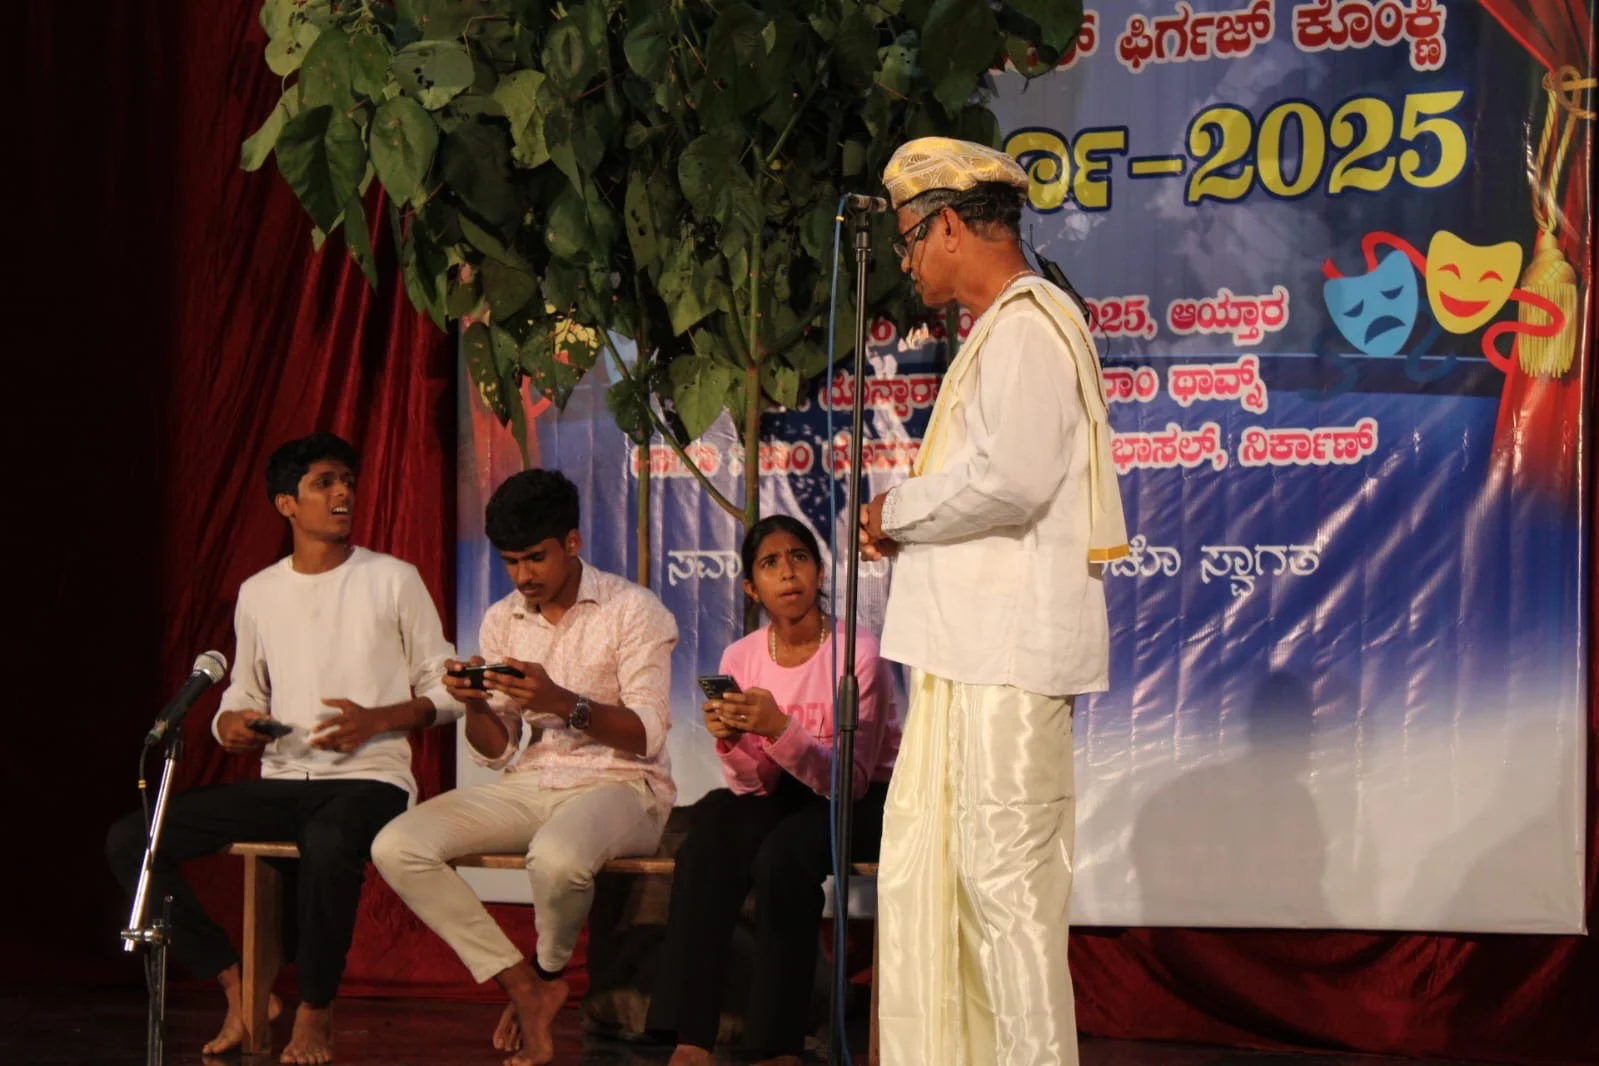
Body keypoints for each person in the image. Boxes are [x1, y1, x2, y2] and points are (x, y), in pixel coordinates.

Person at [857, 137, 1130, 1066]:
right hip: (972, 655)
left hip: (1007, 662)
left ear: (946, 227)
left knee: (1008, 893)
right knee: (956, 885)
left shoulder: (1026, 326)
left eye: (908, 238)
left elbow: (1011, 480)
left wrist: (896, 511)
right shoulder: (1000, 331)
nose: (904, 262)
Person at [105, 432, 461, 1065]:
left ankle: (315, 1012)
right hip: (284, 781)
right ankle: (239, 987)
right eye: (325, 482)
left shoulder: (392, 579)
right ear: (286, 504)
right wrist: (231, 725)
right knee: (134, 837)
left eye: (347, 480)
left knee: (328, 840)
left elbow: (449, 690)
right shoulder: (259, 591)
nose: (343, 492)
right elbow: (243, 689)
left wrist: (377, 720)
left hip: (371, 780)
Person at [370, 468, 678, 1066]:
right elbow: (499, 750)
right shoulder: (502, 618)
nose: (523, 576)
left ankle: (547, 971)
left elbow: (647, 734)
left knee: (556, 858)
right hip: (533, 780)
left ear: (572, 542)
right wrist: (474, 703)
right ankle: (525, 986)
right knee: (396, 846)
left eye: (536, 558)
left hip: (623, 786)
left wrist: (563, 702)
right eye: (510, 562)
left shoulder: (633, 609)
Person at [647, 515, 901, 1066]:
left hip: (863, 800)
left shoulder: (859, 652)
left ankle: (776, 1043)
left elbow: (853, 781)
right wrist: (732, 741)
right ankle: (690, 1036)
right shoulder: (741, 658)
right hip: (785, 791)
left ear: (819, 572)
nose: (788, 573)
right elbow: (752, 786)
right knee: (707, 843)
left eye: (799, 558)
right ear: (751, 587)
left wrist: (779, 727)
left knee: (785, 855)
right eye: (770, 563)